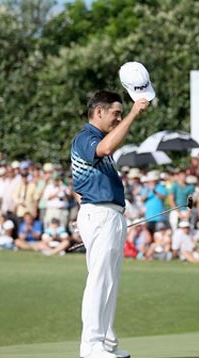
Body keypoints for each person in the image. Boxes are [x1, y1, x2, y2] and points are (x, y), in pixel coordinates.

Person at [71, 88, 149, 358]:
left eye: (120, 114)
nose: (118, 118)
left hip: (110, 214)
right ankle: (91, 346)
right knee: (99, 279)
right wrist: (133, 114)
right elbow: (105, 148)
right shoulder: (86, 137)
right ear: (99, 112)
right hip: (100, 214)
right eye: (115, 113)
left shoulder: (96, 138)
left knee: (110, 281)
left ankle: (105, 342)